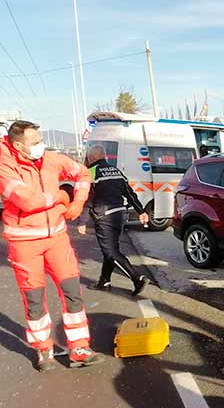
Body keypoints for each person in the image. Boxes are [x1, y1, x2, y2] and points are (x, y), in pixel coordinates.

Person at [0, 121, 104, 371]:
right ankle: (43, 349)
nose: (40, 146)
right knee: (34, 300)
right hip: (25, 243)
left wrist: (78, 201)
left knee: (72, 293)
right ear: (17, 145)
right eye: (34, 143)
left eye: (41, 140)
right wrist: (61, 196)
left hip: (57, 239)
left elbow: (82, 174)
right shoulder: (4, 166)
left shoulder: (53, 159)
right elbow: (28, 201)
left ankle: (79, 347)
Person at [78, 144, 150, 295]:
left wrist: (82, 221)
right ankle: (104, 280)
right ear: (105, 157)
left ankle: (137, 278)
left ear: (91, 158)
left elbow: (87, 198)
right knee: (111, 249)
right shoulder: (116, 171)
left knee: (111, 252)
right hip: (120, 215)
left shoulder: (90, 172)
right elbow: (129, 193)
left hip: (105, 216)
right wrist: (141, 211)